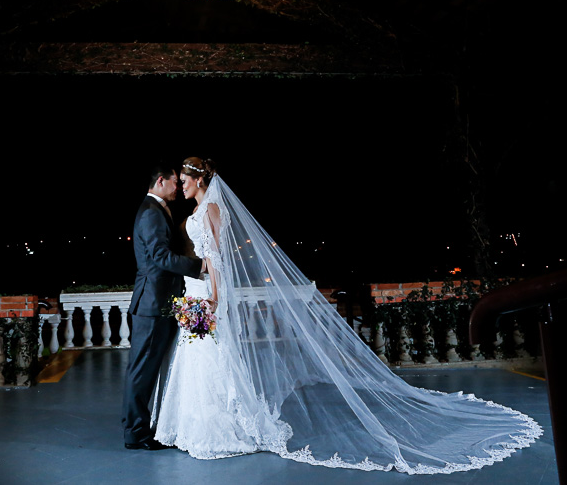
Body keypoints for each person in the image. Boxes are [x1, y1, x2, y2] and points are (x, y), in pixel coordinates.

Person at [151, 157, 543, 474]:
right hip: (195, 290)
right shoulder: (198, 210)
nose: (180, 184)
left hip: (208, 294)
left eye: (184, 179)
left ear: (199, 180)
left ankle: (223, 429)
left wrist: (215, 299)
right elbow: (204, 260)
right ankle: (193, 429)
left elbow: (219, 261)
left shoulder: (213, 210)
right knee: (196, 358)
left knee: (212, 358)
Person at [122, 164, 206, 451]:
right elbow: (160, 257)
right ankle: (135, 434)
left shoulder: (157, 210)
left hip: (166, 301)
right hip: (152, 303)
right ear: (160, 181)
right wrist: (200, 266)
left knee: (156, 366)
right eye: (174, 182)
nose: (178, 188)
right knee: (141, 370)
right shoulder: (150, 212)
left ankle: (151, 424)